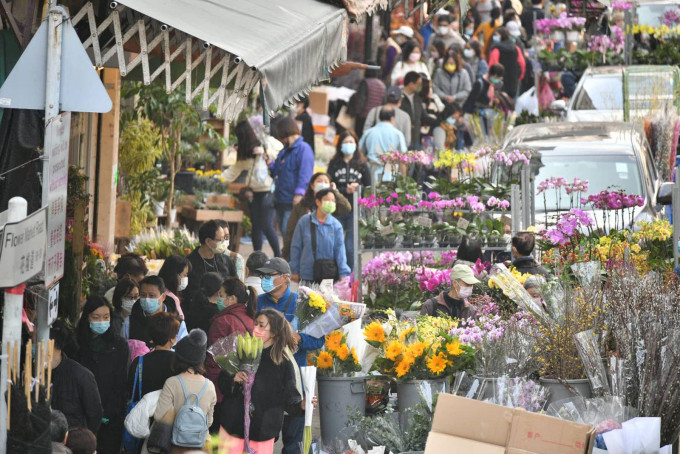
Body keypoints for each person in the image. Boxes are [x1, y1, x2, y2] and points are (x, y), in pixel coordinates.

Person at [219, 309, 307, 454]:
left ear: (274, 332)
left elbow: (290, 399)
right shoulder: (242, 351)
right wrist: (233, 379)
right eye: (255, 324)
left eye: (261, 325)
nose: (256, 329)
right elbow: (222, 384)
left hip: (262, 432)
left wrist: (302, 406)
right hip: (232, 428)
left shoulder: (282, 362)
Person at [75, 297, 129, 454]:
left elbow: (120, 383)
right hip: (82, 417)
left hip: (110, 418)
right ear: (87, 318)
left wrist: (106, 414)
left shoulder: (119, 345)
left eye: (106, 317)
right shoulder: (76, 344)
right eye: (96, 317)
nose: (101, 322)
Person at [206, 277, 257, 431]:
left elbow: (214, 362)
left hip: (224, 390)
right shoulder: (250, 318)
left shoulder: (223, 321)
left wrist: (214, 393)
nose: (218, 299)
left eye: (221, 295)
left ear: (232, 298)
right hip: (244, 387)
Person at [223, 120, 280, 257]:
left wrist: (265, 152)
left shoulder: (265, 142)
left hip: (269, 191)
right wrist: (219, 179)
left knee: (266, 225)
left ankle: (278, 256)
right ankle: (257, 256)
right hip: (254, 193)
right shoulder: (245, 151)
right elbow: (235, 169)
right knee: (256, 225)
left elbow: (280, 150)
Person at [153, 329, 217, 451]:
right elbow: (209, 422)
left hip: (176, 445)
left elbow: (159, 416)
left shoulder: (172, 382)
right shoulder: (210, 386)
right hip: (202, 446)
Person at [327, 130, 372, 268]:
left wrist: (359, 188)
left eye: (351, 142)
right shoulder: (334, 164)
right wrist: (343, 190)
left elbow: (369, 188)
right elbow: (329, 187)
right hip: (338, 210)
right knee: (335, 245)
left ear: (356, 144)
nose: (348, 144)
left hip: (355, 210)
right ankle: (338, 275)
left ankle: (353, 278)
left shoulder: (362, 164)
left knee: (351, 247)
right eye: (345, 142)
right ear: (340, 145)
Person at [282, 172, 352, 260]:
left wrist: (334, 192)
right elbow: (291, 230)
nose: (323, 183)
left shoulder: (330, 205)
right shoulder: (302, 206)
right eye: (319, 181)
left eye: (326, 182)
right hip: (305, 252)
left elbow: (346, 208)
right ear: (312, 185)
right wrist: (285, 253)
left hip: (327, 254)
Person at [50, 320, 103, 433]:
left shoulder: (81, 375)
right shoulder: (31, 374)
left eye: (35, 340)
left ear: (51, 343)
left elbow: (94, 415)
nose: (31, 345)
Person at [290, 188, 351, 284]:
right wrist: (294, 270)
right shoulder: (304, 221)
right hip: (307, 274)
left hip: (328, 274)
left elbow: (340, 251)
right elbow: (296, 247)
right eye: (327, 200)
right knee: (306, 298)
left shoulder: (336, 225)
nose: (331, 203)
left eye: (333, 201)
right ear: (318, 202)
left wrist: (343, 273)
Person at [266, 116, 315, 235]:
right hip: (281, 198)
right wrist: (269, 163)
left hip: (292, 200)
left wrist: (299, 194)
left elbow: (305, 174)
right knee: (284, 232)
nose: (281, 139)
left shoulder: (304, 149)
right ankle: (287, 254)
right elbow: (277, 171)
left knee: (289, 231)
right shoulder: (284, 151)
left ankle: (290, 254)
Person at [127, 312, 180, 398]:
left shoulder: (139, 362)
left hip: (143, 409)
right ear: (172, 339)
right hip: (169, 410)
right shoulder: (179, 362)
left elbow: (130, 389)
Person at [185, 220, 237, 303]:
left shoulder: (227, 261)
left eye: (225, 238)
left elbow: (235, 287)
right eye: (220, 240)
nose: (224, 242)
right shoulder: (189, 263)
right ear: (208, 241)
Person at [127, 275, 188, 344]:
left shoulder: (178, 323)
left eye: (152, 295)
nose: (147, 299)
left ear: (163, 297)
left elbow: (184, 350)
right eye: (143, 295)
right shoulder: (129, 322)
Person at [359, 107, 408, 181]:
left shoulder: (368, 133)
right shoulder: (398, 134)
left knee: (372, 192)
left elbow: (359, 152)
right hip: (390, 174)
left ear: (379, 117)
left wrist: (366, 161)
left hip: (371, 173)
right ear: (392, 118)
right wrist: (404, 179)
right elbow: (402, 159)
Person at [346, 65, 386, 137]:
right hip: (376, 119)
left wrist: (354, 113)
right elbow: (383, 103)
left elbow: (360, 102)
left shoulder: (365, 83)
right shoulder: (382, 85)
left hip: (364, 118)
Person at [488, 27, 525, 98]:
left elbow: (492, 65)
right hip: (513, 80)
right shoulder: (515, 48)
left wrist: (491, 80)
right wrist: (520, 77)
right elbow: (522, 63)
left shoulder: (496, 49)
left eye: (496, 35)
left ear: (502, 35)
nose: (494, 37)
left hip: (499, 82)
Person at [399, 71, 429, 149]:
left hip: (415, 137)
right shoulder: (398, 96)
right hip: (401, 137)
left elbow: (423, 116)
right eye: (418, 84)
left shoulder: (417, 98)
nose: (420, 86)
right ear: (411, 84)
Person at [157, 254, 191, 319]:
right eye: (185, 274)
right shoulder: (171, 299)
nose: (186, 278)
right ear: (175, 275)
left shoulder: (160, 289)